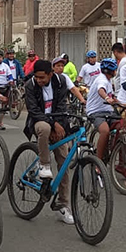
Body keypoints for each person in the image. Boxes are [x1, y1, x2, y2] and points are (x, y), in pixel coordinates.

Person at [23, 59, 75, 225]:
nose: (39, 80)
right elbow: (34, 110)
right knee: (44, 129)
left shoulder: (60, 82)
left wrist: (58, 125)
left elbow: (62, 105)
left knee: (64, 163)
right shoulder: (30, 85)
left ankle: (63, 205)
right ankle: (44, 165)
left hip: (58, 121)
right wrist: (53, 125)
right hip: (39, 121)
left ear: (51, 74)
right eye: (37, 77)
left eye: (42, 78)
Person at [85, 58, 119, 163]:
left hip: (108, 110)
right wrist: (107, 98)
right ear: (110, 71)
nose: (116, 72)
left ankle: (113, 149)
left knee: (122, 126)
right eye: (115, 70)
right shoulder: (102, 79)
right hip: (96, 111)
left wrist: (120, 103)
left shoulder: (109, 80)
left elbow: (111, 95)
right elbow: (101, 90)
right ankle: (98, 162)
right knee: (105, 131)